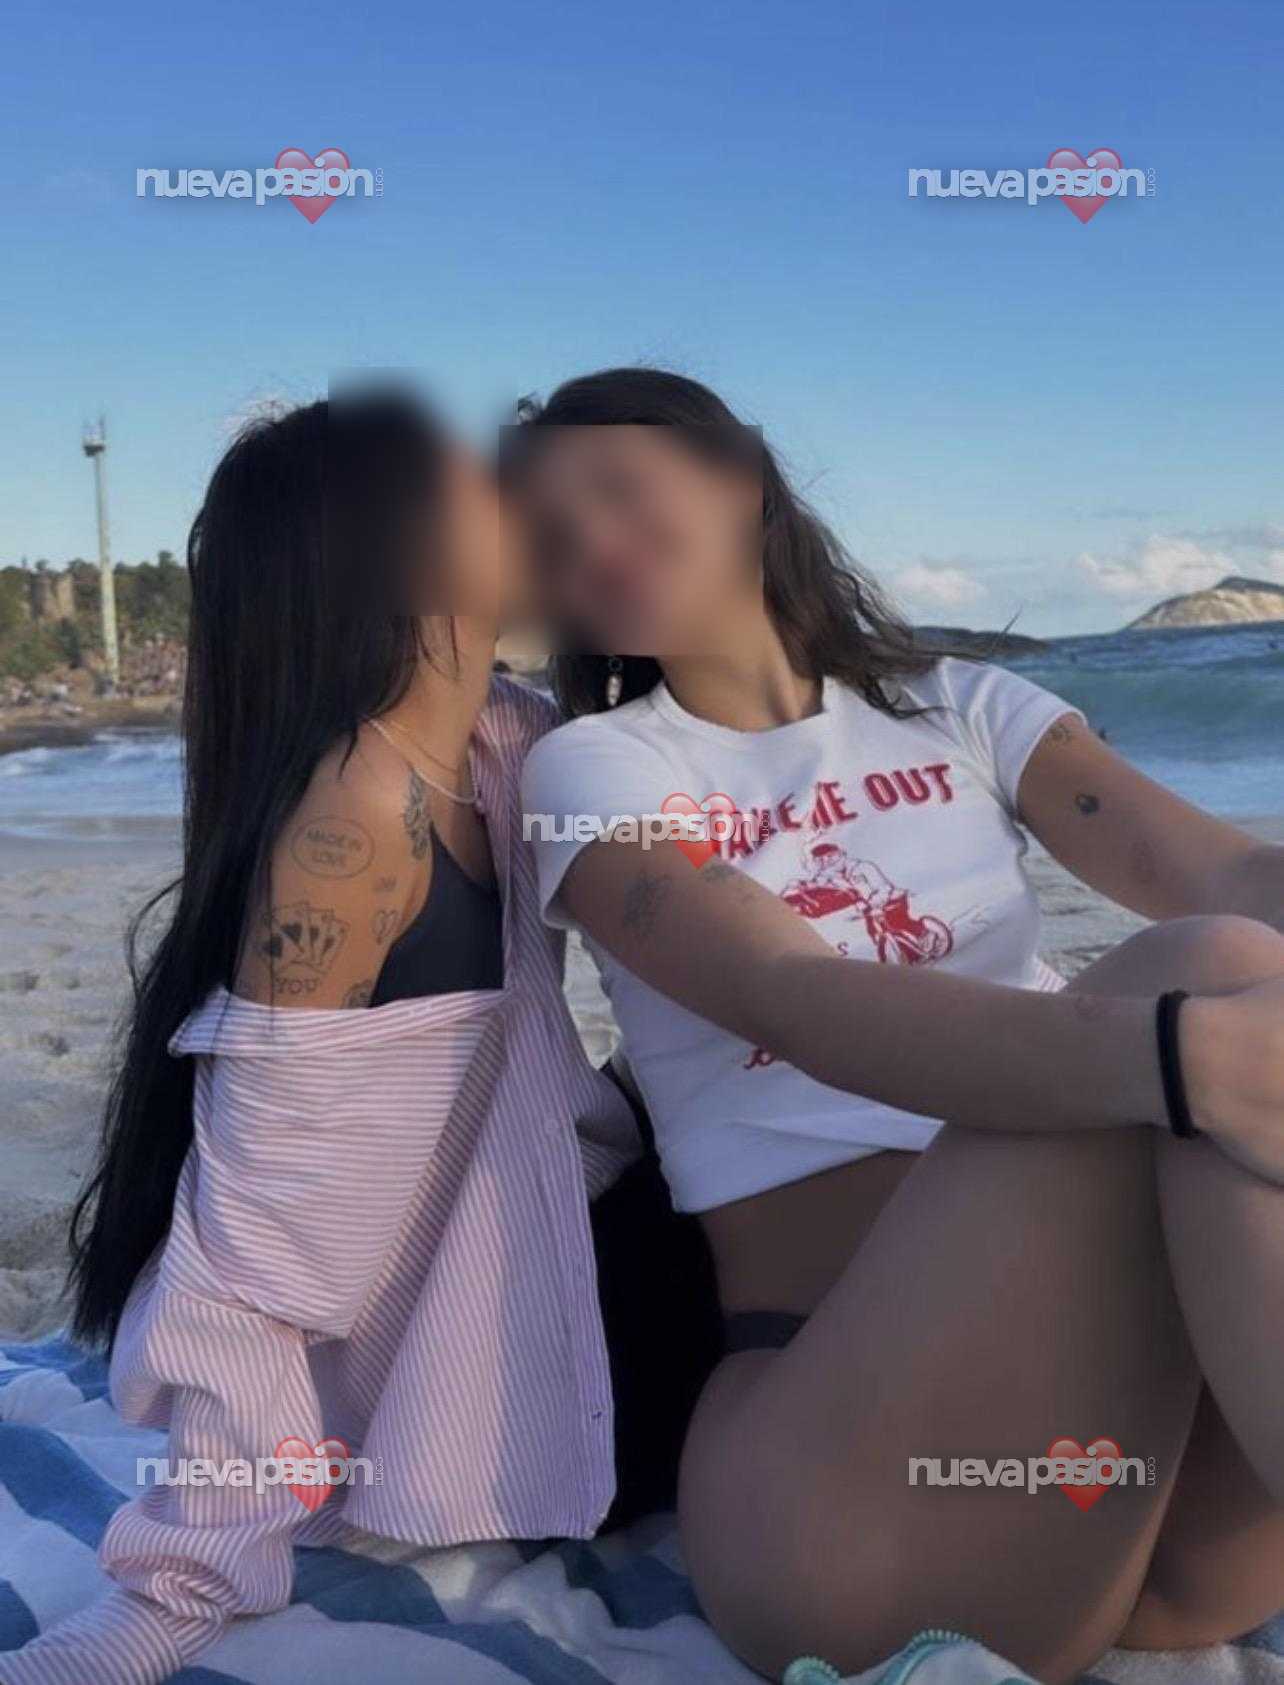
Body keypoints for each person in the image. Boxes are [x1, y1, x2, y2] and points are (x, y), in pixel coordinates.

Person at [507, 367, 1284, 1684]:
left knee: (1237, 951)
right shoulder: (596, 767)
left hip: (1154, 1509)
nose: (593, 543)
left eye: (620, 490)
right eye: (553, 534)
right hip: (861, 1499)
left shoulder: (959, 704)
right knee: (1210, 979)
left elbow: (1228, 872)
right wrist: (1183, 1059)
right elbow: (795, 995)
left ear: (742, 482)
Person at [0, 390, 719, 1685]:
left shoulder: (507, 741)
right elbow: (250, 1253)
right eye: (477, 481)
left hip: (552, 1273)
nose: (522, 493)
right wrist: (179, 1582)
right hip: (503, 1393)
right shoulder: (355, 827)